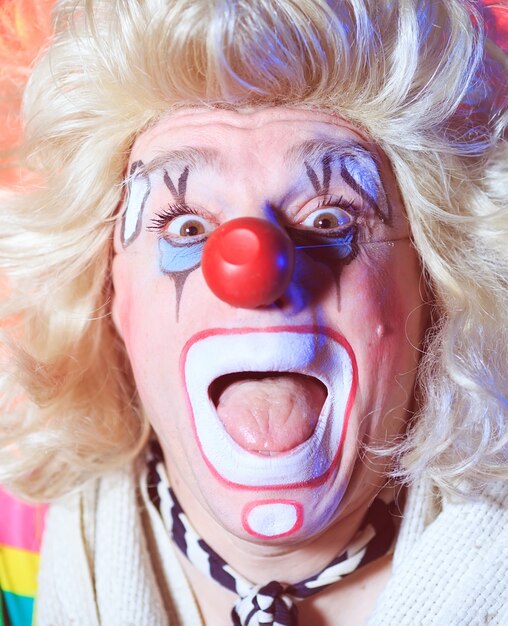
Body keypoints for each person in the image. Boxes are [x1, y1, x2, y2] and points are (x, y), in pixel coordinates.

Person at [0, 1, 507, 624]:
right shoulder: (13, 549)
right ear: (109, 296)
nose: (254, 271)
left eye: (329, 218)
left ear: (433, 285)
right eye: (185, 226)